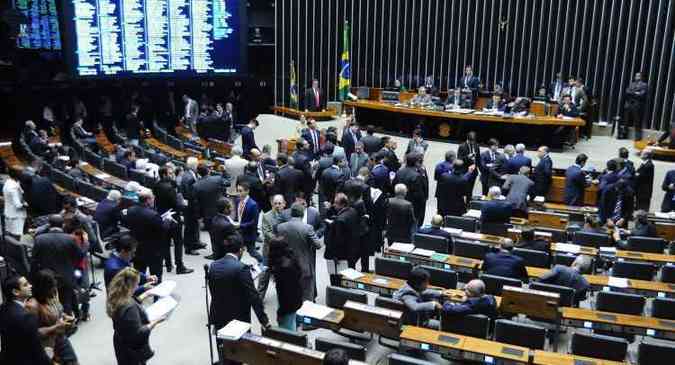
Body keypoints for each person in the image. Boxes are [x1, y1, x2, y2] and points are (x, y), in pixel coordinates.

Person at [208, 239, 270, 360]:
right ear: (240, 250)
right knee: (239, 355)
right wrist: (264, 320)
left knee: (223, 353)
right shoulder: (241, 268)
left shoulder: (214, 265)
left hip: (219, 316)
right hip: (238, 319)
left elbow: (213, 291)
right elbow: (253, 297)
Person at [107, 267, 164, 365]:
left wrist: (146, 294)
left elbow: (132, 300)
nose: (138, 286)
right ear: (130, 286)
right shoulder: (130, 307)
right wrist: (156, 321)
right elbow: (138, 334)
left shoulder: (117, 296)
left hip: (121, 343)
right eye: (137, 284)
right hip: (133, 351)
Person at [31, 215, 84, 317]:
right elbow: (80, 256)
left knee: (50, 304)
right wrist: (71, 266)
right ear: (62, 224)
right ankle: (69, 323)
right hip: (66, 276)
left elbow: (34, 260)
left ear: (49, 225)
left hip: (47, 278)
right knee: (66, 302)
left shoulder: (39, 239)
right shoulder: (70, 239)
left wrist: (33, 278)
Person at [25, 270, 79, 365]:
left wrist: (66, 317)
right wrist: (56, 327)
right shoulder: (32, 306)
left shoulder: (51, 295)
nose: (55, 289)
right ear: (43, 287)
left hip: (61, 340)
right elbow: (34, 333)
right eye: (52, 286)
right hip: (48, 347)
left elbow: (58, 312)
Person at [0, 275, 52, 365]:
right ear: (16, 292)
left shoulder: (2, 309)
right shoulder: (26, 316)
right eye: (25, 285)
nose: (30, 286)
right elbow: (36, 349)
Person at [276, 203, 322, 301]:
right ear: (302, 214)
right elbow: (318, 245)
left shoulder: (280, 227)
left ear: (291, 213)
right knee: (306, 298)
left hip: (287, 266)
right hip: (304, 266)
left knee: (291, 295)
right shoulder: (307, 228)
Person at [154, 167, 193, 274]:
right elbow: (176, 204)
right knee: (178, 243)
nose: (172, 175)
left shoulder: (156, 185)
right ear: (164, 174)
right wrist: (183, 206)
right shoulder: (170, 188)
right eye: (170, 173)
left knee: (165, 243)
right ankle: (180, 266)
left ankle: (168, 265)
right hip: (174, 218)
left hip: (162, 217)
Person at [123, 189, 167, 283]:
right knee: (156, 275)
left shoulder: (130, 210)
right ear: (147, 200)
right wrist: (166, 222)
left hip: (137, 247)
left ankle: (139, 294)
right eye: (152, 198)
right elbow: (162, 230)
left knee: (139, 273)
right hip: (154, 249)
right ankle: (156, 296)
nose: (154, 199)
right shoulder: (153, 215)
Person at [266, 237, 303, 331]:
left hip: (288, 305)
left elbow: (286, 295)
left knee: (287, 332)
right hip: (295, 299)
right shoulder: (290, 258)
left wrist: (280, 312)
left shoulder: (283, 268)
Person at [324, 193, 359, 286]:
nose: (334, 205)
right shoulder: (353, 211)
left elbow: (338, 240)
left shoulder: (340, 220)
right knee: (349, 278)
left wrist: (335, 256)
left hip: (340, 256)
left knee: (338, 280)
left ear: (343, 204)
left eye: (336, 203)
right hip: (352, 251)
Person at [258, 195, 287, 299]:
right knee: (265, 273)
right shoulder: (266, 216)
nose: (278, 206)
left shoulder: (287, 216)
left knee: (282, 274)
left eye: (280, 203)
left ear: (284, 204)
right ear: (272, 204)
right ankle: (259, 297)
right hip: (269, 250)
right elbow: (267, 233)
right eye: (275, 203)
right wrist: (280, 241)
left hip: (283, 251)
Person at [394, 152, 428, 227]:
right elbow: (419, 195)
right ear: (416, 163)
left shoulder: (399, 172)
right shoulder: (417, 176)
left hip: (398, 205)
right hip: (412, 208)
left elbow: (393, 187)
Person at [180, 157, 205, 254]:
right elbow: (190, 194)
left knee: (194, 225)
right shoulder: (189, 178)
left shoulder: (190, 174)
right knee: (190, 227)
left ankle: (195, 242)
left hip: (191, 205)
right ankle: (189, 248)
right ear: (194, 166)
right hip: (190, 206)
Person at [236, 182, 263, 264]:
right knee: (237, 251)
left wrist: (241, 225)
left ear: (247, 191)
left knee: (252, 252)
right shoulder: (238, 201)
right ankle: (236, 266)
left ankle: (264, 263)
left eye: (241, 191)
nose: (238, 193)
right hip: (240, 232)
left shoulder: (253, 204)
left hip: (249, 234)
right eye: (238, 191)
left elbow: (254, 222)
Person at [192, 164, 225, 232]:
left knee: (211, 231)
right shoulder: (218, 178)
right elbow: (228, 182)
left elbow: (196, 203)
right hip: (219, 209)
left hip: (206, 213)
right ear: (208, 171)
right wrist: (223, 171)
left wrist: (198, 217)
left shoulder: (196, 186)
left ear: (198, 174)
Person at [3, 166, 28, 238]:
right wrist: (28, 204)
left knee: (10, 237)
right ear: (18, 175)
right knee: (17, 237)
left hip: (9, 214)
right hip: (16, 217)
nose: (23, 174)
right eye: (21, 173)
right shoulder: (13, 187)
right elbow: (18, 205)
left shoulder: (8, 182)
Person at [624, 72, 649, 140]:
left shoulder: (644, 85)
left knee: (637, 121)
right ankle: (624, 135)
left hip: (637, 105)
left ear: (641, 77)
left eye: (638, 76)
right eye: (636, 75)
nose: (636, 76)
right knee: (626, 120)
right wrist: (635, 92)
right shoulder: (632, 84)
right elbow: (627, 92)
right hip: (629, 104)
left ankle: (637, 137)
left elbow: (641, 95)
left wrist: (632, 93)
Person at [457, 131, 481, 200]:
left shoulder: (476, 146)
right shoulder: (462, 146)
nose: (473, 143)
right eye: (471, 141)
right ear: (468, 139)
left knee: (470, 189)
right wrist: (468, 157)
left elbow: (478, 159)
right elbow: (459, 159)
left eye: (474, 141)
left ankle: (468, 204)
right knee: (463, 189)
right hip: (464, 172)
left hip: (473, 172)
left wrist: (480, 170)